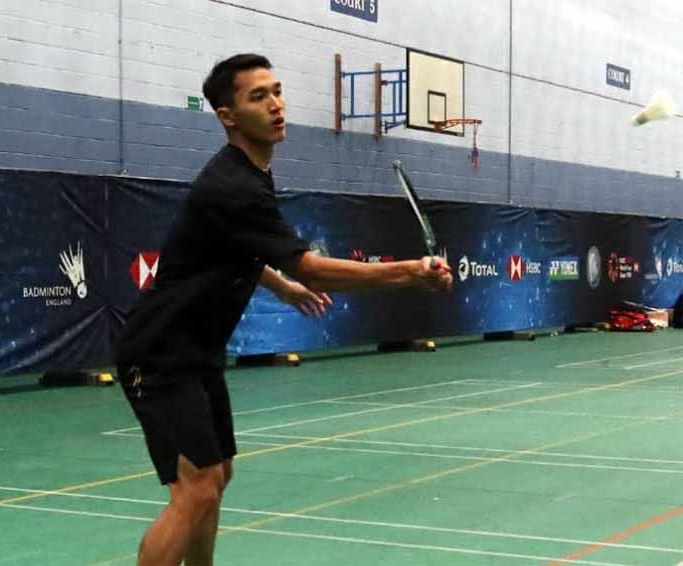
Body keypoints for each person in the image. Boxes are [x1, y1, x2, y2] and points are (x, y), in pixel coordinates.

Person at [116, 53, 452, 566]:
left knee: (218, 475)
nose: (276, 104)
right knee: (197, 488)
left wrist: (279, 285)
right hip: (160, 352)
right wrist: (408, 272)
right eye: (258, 97)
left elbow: (236, 250)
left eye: (276, 91)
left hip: (198, 350)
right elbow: (313, 268)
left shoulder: (251, 175)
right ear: (228, 116)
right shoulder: (234, 186)